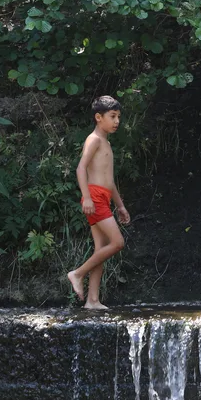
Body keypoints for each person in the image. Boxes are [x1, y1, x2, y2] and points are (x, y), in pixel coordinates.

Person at [66, 95, 130, 309]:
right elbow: (80, 168)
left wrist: (120, 205)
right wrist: (86, 197)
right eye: (112, 116)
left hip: (103, 196)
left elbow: (110, 182)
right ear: (98, 117)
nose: (117, 121)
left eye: (118, 117)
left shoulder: (106, 143)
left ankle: (92, 300)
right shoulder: (93, 140)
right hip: (94, 197)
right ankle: (77, 274)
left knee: (101, 248)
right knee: (117, 243)